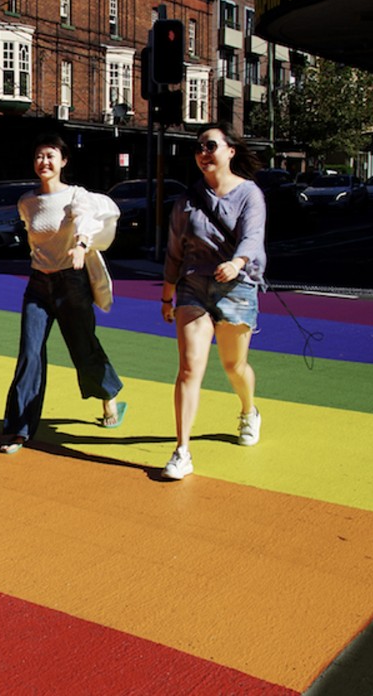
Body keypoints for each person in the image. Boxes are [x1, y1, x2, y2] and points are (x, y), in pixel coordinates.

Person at [0, 133, 126, 454]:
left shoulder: (75, 196)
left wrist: (81, 246)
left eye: (51, 156)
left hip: (72, 283)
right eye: (40, 156)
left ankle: (108, 395)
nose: (45, 162)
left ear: (63, 161)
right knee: (29, 353)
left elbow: (85, 220)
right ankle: (19, 430)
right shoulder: (26, 202)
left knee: (82, 348)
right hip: (38, 285)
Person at [159, 124, 267, 480]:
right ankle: (182, 451)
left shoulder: (250, 194)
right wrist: (166, 294)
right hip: (193, 287)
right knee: (189, 368)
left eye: (210, 145)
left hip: (236, 288)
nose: (203, 153)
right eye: (198, 148)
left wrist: (236, 264)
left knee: (233, 366)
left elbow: (253, 238)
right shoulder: (186, 200)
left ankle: (248, 411)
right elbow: (174, 250)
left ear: (230, 151)